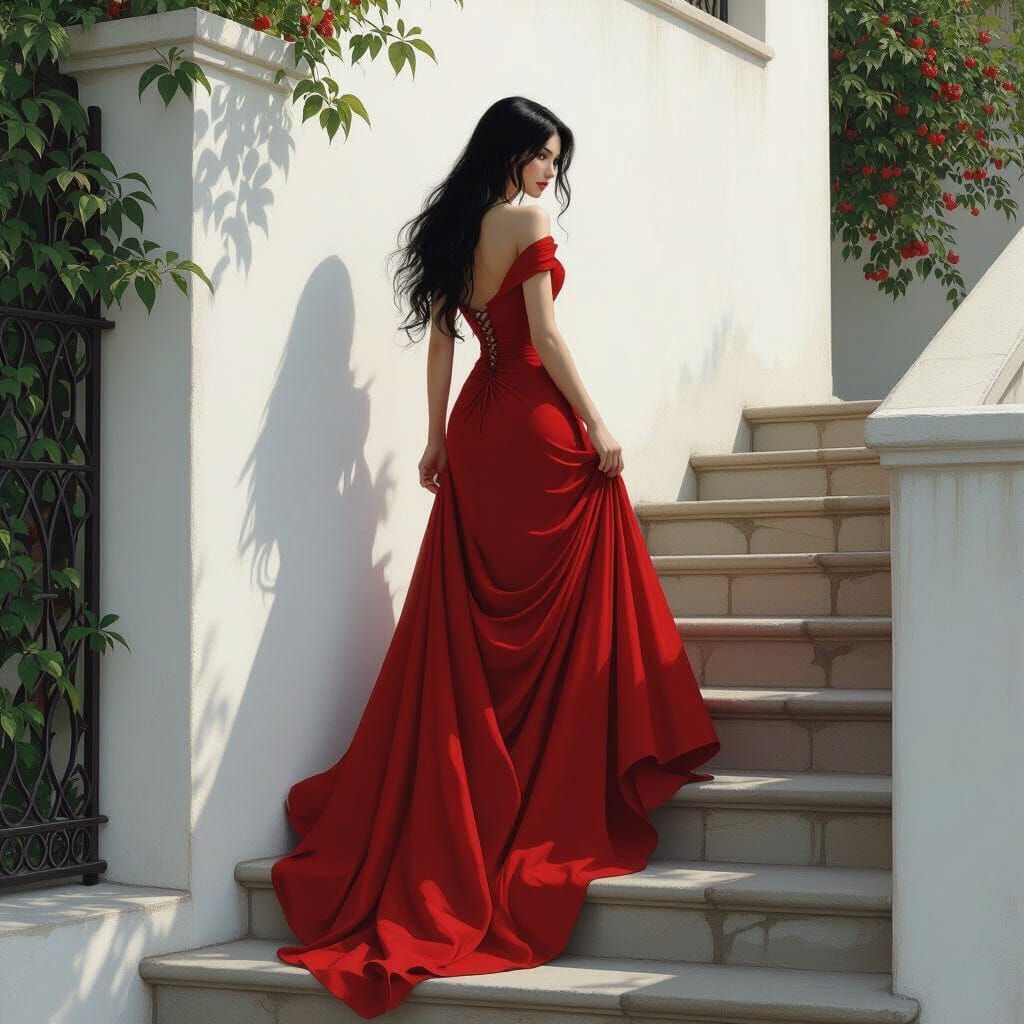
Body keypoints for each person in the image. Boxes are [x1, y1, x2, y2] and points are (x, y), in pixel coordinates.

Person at [270, 95, 721, 1019]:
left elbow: (444, 340)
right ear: (512, 154)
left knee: (482, 623)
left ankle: (511, 760)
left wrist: (436, 438)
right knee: (588, 549)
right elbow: (544, 337)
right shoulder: (526, 218)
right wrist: (597, 422)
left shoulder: (455, 224)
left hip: (478, 424)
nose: (551, 171)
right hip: (531, 419)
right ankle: (567, 757)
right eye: (543, 154)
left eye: (556, 158)